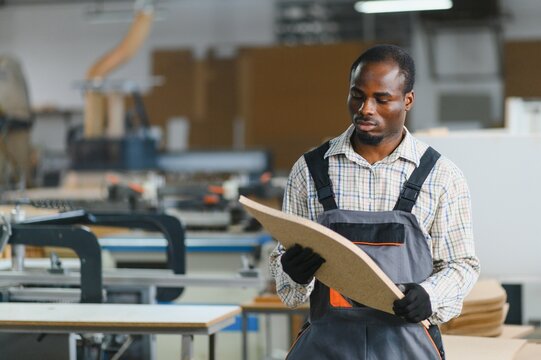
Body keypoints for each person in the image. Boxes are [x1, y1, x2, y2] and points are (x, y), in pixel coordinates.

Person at [269, 44, 480, 360]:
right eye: (358, 95)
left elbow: (462, 264)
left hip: (407, 345)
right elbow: (284, 269)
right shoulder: (310, 170)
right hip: (327, 346)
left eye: (382, 99)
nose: (366, 108)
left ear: (407, 100)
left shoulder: (441, 176)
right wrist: (292, 272)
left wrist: (430, 295)